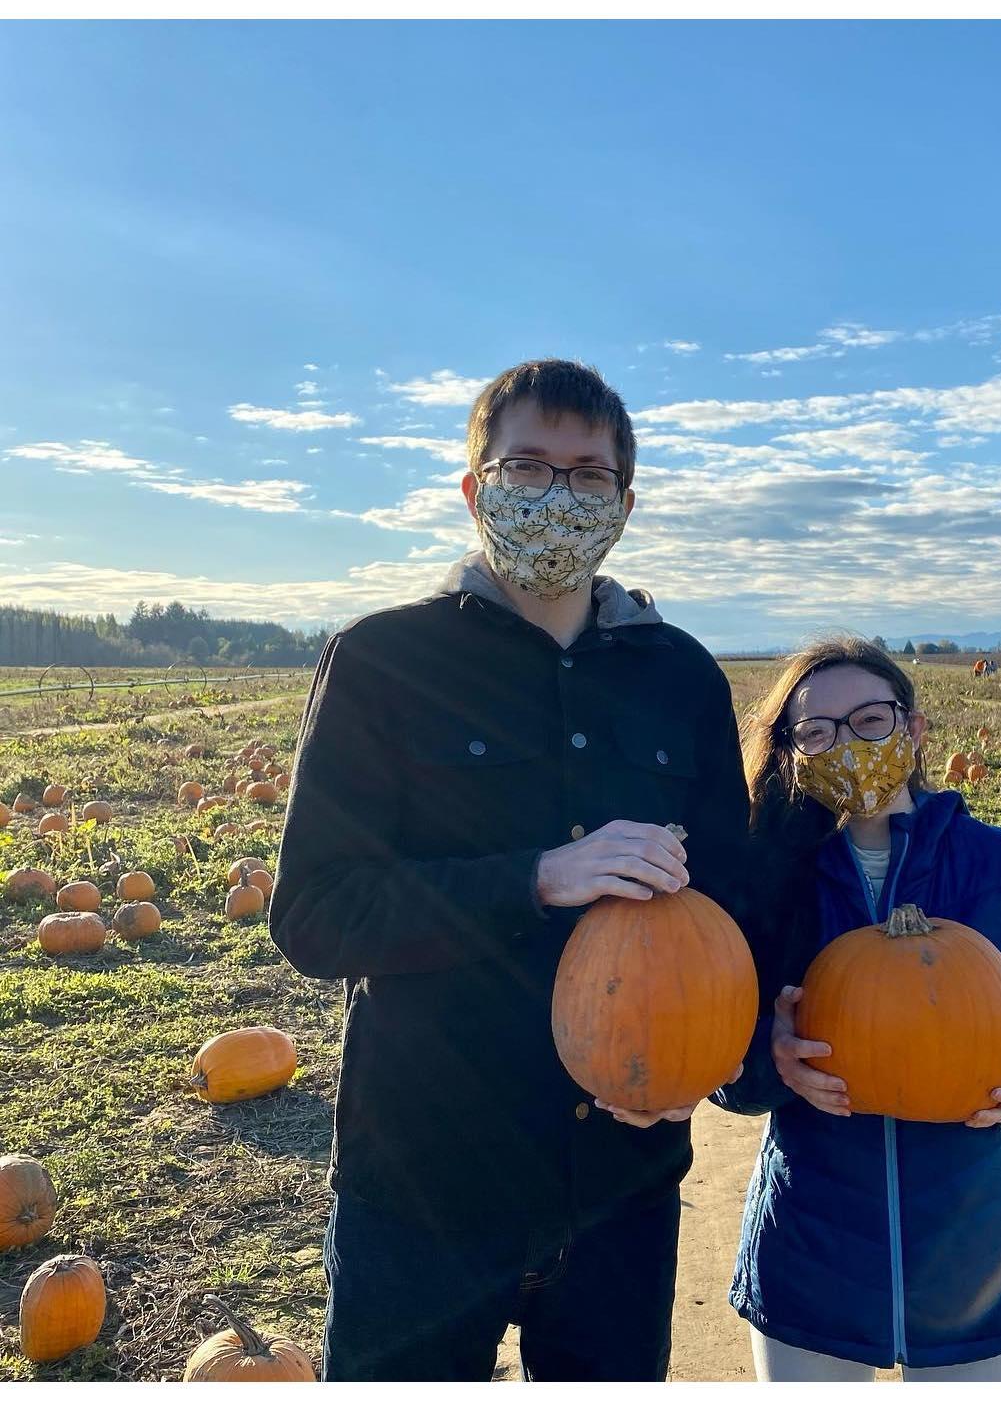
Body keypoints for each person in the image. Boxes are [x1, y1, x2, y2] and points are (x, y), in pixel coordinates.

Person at [269, 359, 750, 1382]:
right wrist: (535, 876)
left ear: (623, 502)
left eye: (587, 475)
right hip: (426, 1184)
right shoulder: (382, 662)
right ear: (474, 487)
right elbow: (315, 914)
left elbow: (736, 906)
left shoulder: (682, 678)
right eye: (527, 466)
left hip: (621, 1181)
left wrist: (704, 1068)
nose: (557, 496)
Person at [712, 636, 1001, 1381]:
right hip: (810, 1245)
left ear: (912, 728)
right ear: (793, 755)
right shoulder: (773, 878)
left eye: (870, 719)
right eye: (818, 732)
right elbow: (722, 1063)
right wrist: (766, 1060)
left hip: (973, 1254)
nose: (847, 744)